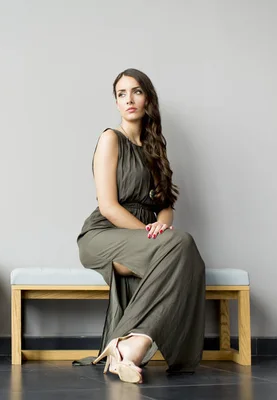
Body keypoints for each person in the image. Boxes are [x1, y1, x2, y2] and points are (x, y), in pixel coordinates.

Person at [76, 68, 206, 384]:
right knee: (182, 246)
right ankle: (127, 344)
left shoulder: (155, 148)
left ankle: (131, 349)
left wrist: (160, 228)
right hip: (104, 233)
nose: (129, 99)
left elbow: (165, 207)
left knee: (183, 246)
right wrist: (149, 233)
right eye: (122, 94)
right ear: (117, 103)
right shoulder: (110, 139)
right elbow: (108, 206)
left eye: (136, 91)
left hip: (145, 236)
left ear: (147, 98)